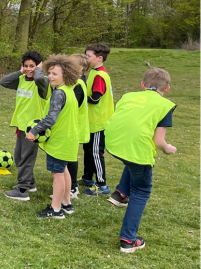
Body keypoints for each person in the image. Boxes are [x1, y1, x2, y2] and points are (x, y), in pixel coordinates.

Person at [104, 68, 176, 253]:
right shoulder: (164, 105)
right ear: (167, 89)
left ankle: (120, 193)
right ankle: (128, 240)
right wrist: (168, 149)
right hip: (135, 149)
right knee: (142, 190)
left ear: (142, 85)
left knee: (133, 159)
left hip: (113, 143)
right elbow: (158, 141)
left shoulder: (128, 96)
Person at [26, 55, 83, 219]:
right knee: (64, 170)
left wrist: (35, 130)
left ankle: (56, 209)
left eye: (55, 74)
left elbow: (51, 118)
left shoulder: (59, 94)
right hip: (69, 139)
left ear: (65, 75)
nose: (50, 76)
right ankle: (66, 203)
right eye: (49, 72)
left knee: (57, 175)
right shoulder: (69, 91)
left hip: (59, 141)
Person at [0, 50, 49, 201]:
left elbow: (40, 78)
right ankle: (30, 183)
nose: (28, 69)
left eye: (32, 66)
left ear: (38, 67)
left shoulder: (42, 83)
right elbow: (4, 81)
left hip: (33, 129)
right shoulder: (22, 79)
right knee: (19, 156)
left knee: (27, 157)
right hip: (21, 126)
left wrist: (39, 69)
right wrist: (21, 71)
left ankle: (22, 190)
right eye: (26, 65)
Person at [81, 43, 115, 195]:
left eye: (89, 56)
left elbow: (95, 99)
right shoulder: (94, 72)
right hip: (91, 121)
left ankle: (102, 186)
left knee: (95, 152)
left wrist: (78, 98)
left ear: (99, 58)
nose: (86, 59)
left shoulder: (100, 75)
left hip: (99, 123)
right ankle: (88, 178)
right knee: (87, 150)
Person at [65, 53, 91, 198]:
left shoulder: (79, 84)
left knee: (71, 157)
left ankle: (73, 187)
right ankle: (67, 183)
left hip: (75, 127)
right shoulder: (74, 82)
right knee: (67, 156)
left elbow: (72, 106)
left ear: (80, 68)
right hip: (71, 126)